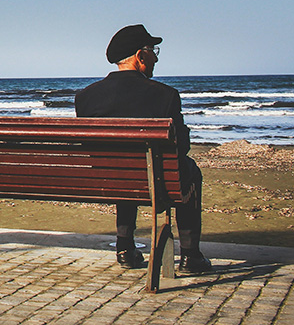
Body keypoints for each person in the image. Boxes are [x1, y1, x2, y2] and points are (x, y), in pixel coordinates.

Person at [75, 24, 212, 274]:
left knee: (122, 167)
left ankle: (125, 247)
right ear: (140, 56)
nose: (156, 57)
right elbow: (182, 147)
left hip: (109, 179)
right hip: (155, 180)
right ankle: (191, 255)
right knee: (188, 170)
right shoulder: (165, 95)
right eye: (152, 51)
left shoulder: (86, 97)